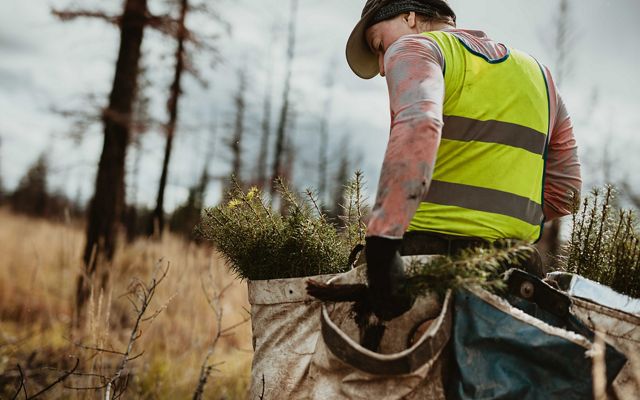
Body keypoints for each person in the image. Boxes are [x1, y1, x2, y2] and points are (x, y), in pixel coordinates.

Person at [346, 0, 582, 320]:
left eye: (378, 45)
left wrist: (381, 245)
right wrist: (499, 223)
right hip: (517, 279)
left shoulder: (416, 48)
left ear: (409, 16)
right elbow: (566, 192)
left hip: (425, 268)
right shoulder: (542, 77)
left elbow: (420, 125)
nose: (383, 64)